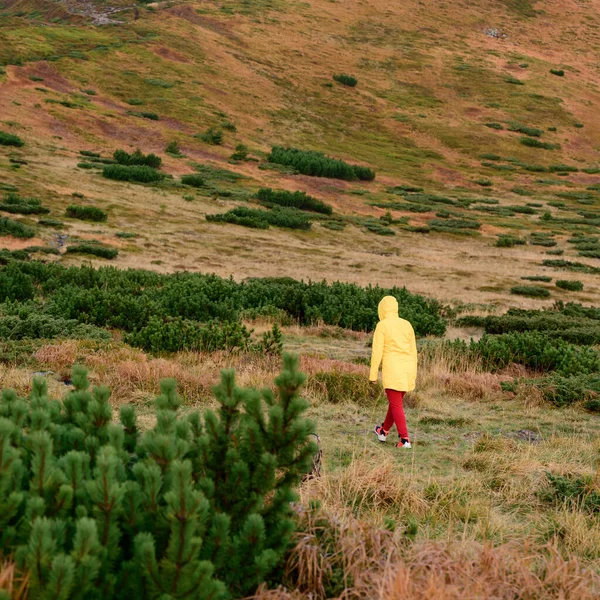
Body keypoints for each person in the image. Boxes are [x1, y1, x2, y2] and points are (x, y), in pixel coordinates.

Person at [369, 295, 418, 449]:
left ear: (382, 309)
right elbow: (413, 351)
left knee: (396, 405)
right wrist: (413, 374)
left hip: (393, 370)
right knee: (394, 403)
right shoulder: (407, 324)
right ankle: (383, 431)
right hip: (407, 370)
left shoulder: (382, 325)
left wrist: (373, 374)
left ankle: (404, 440)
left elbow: (377, 352)